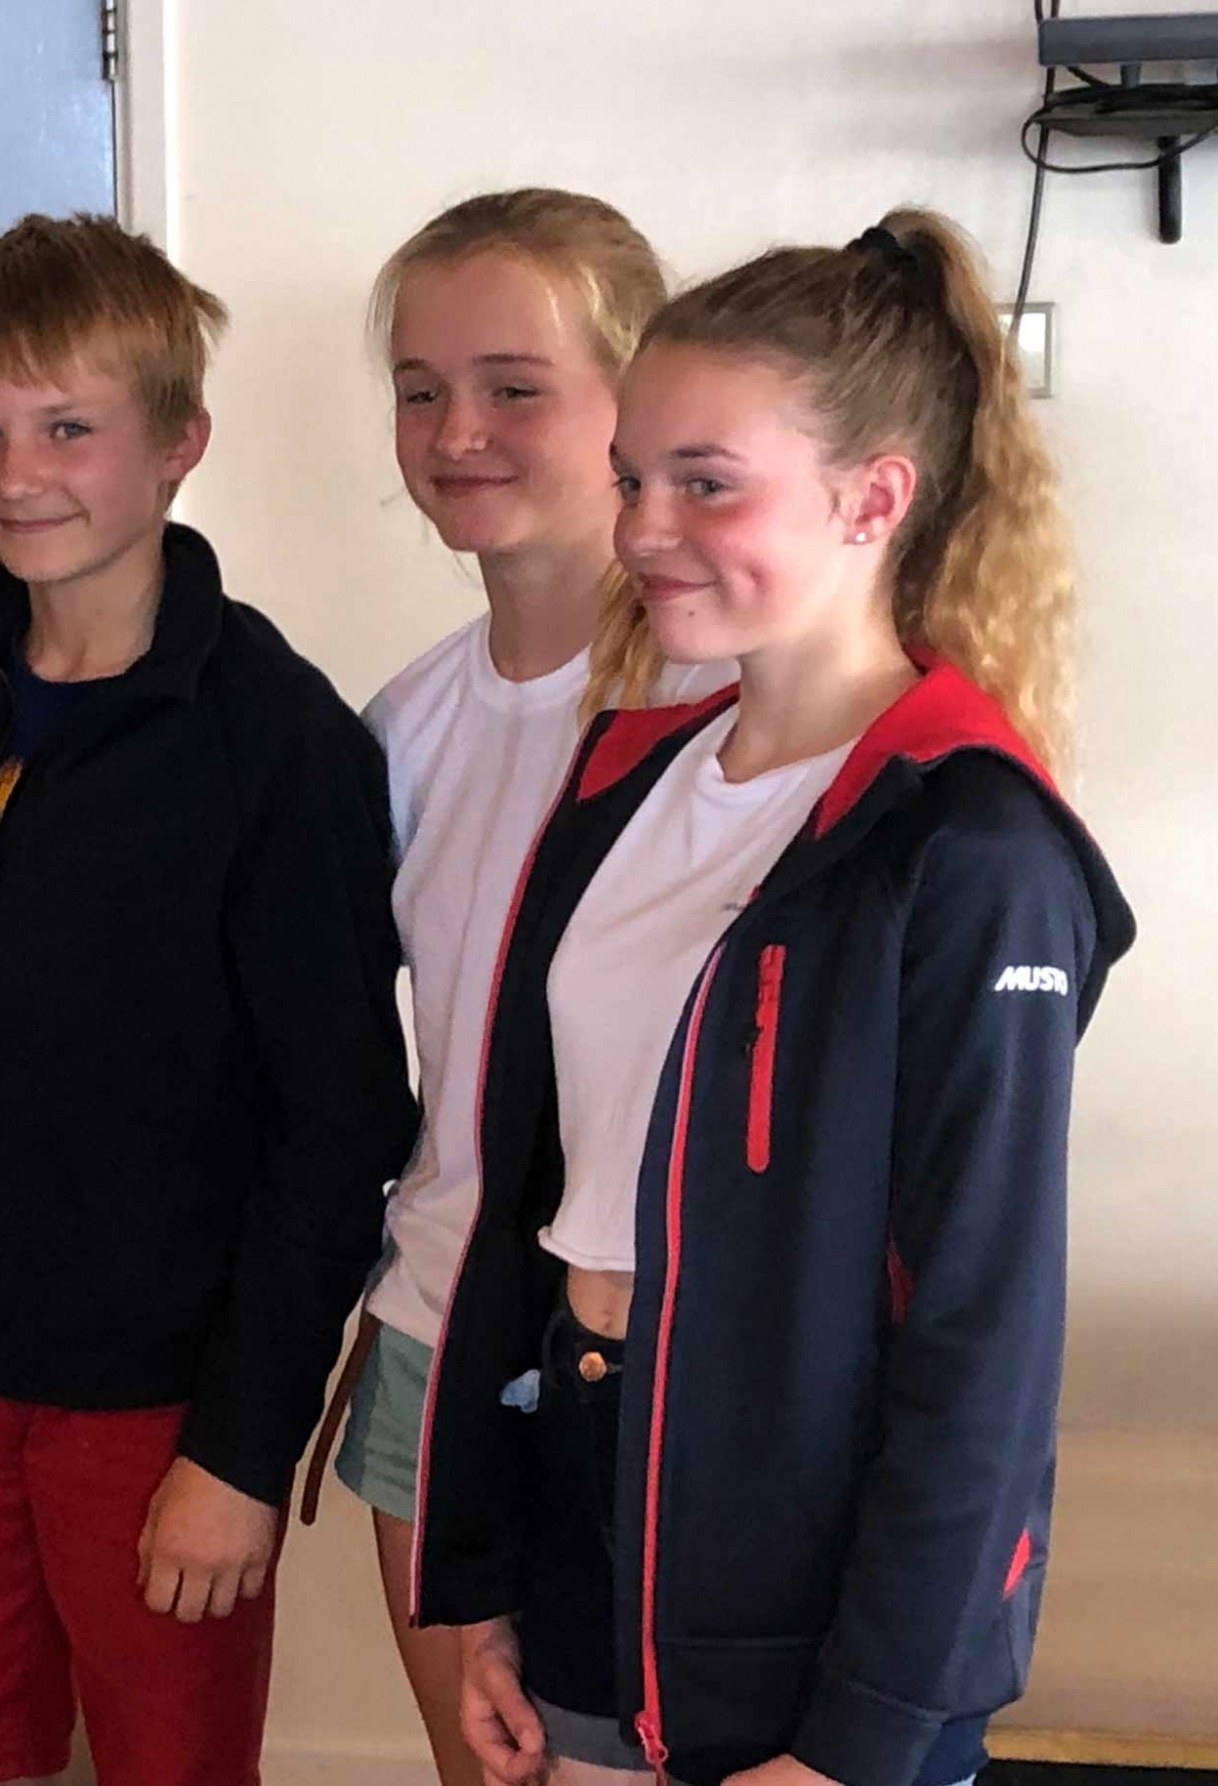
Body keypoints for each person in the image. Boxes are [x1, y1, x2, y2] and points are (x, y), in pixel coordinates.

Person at [416, 210, 1135, 1786]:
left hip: (805, 1618)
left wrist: (866, 1735)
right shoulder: (622, 784)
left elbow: (982, 1346)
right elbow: (533, 1200)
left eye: (705, 483)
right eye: (633, 478)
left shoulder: (972, 845)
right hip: (582, 1507)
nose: (643, 529)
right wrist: (477, 1576)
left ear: (875, 497)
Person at [0, 212, 419, 1786]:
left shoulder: (280, 741)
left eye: (68, 427)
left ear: (177, 443)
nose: (18, 472)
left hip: (164, 1404)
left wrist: (242, 1443)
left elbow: (342, 1114)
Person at [297, 188, 695, 1786]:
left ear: (635, 399)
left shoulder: (739, 714)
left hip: (655, 1370)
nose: (457, 428)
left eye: (514, 384)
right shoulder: (402, 729)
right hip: (433, 1345)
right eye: (419, 387)